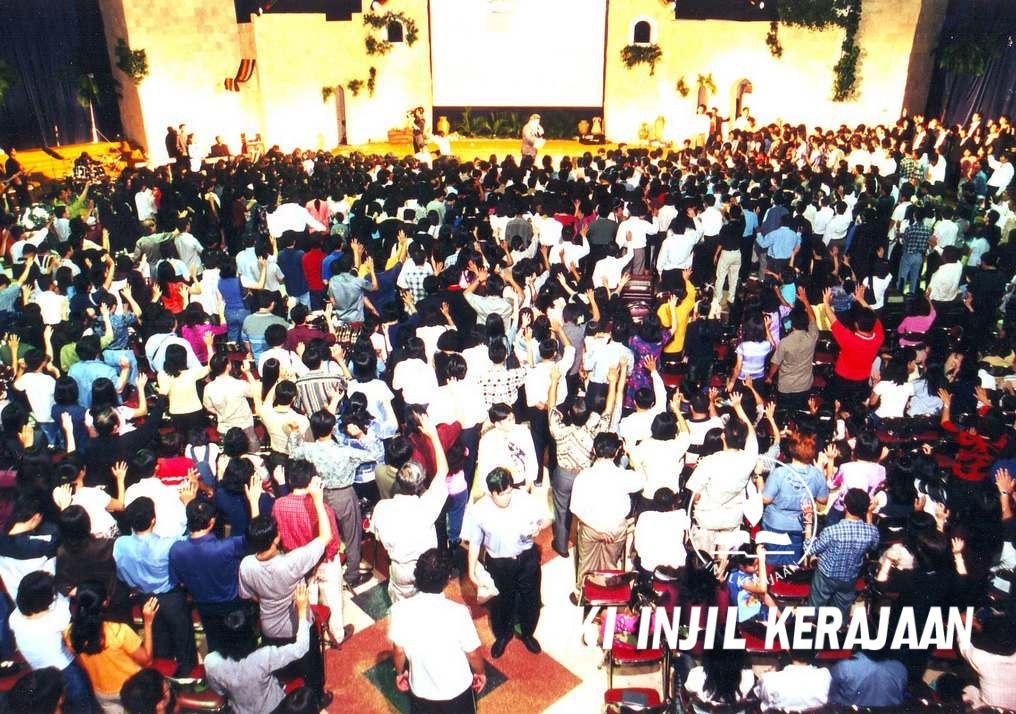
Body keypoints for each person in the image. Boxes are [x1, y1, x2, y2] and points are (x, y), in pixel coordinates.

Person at [239, 475, 333, 710]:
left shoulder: (246, 565)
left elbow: (249, 595)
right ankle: (316, 699)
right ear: (277, 538)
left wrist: (253, 503)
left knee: (282, 668)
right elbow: (326, 537)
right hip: (298, 624)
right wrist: (318, 499)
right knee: (312, 669)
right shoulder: (291, 562)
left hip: (269, 627)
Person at [463, 467, 550, 658]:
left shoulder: (524, 499)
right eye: (501, 495)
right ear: (491, 493)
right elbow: (475, 543)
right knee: (501, 601)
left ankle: (527, 633)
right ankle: (503, 635)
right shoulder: (480, 510)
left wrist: (538, 527)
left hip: (526, 558)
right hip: (499, 562)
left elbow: (546, 519)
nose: (506, 498)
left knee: (531, 598)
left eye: (509, 492)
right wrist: (471, 571)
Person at [388, 548, 486, 713]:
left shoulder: (399, 610)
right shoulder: (459, 612)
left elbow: (398, 651)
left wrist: (399, 673)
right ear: (447, 580)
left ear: (417, 576)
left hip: (421, 691)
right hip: (457, 691)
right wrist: (480, 672)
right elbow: (473, 654)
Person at [370, 415, 449, 602]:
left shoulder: (382, 507)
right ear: (420, 485)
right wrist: (434, 436)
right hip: (425, 569)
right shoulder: (425, 507)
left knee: (401, 609)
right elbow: (443, 471)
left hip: (398, 570)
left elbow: (377, 535)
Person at [204, 583, 313, 714]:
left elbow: (219, 690)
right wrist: (302, 610)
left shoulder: (211, 661)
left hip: (241, 711)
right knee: (306, 696)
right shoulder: (262, 657)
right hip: (275, 709)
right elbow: (301, 647)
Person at [66, 580, 157, 714]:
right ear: (105, 602)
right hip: (132, 688)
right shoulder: (120, 631)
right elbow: (147, 661)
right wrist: (148, 622)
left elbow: (81, 663)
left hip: (101, 692)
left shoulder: (69, 633)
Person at [802, 488, 879, 619]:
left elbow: (809, 550)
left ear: (845, 506)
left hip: (825, 576)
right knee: (841, 615)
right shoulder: (871, 531)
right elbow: (874, 545)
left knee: (814, 611)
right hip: (850, 577)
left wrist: (808, 522)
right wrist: (869, 514)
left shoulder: (831, 531)